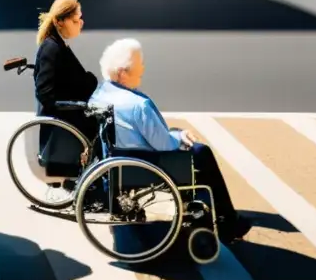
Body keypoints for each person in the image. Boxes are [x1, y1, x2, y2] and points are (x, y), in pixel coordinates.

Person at [88, 38, 252, 242]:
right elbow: (164, 145)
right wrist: (180, 136)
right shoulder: (139, 104)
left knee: (189, 145)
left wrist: (175, 133)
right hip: (145, 164)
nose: (143, 68)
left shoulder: (101, 94)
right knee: (202, 153)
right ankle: (227, 222)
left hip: (119, 159)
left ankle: (218, 217)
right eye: (139, 65)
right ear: (122, 72)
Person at [33, 0, 98, 141]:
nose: (81, 23)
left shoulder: (58, 44)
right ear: (58, 21)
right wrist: (74, 105)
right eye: (75, 21)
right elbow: (45, 93)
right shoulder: (52, 48)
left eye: (80, 19)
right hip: (67, 122)